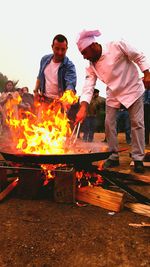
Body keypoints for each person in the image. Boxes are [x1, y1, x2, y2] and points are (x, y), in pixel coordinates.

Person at [75, 29, 150, 173]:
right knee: (109, 124)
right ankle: (113, 155)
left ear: (93, 46)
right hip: (114, 93)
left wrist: (147, 73)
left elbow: (138, 56)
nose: (84, 57)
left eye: (84, 53)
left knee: (137, 123)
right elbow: (88, 87)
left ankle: (138, 158)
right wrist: (83, 108)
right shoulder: (90, 66)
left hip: (133, 87)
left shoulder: (116, 45)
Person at [33, 34, 77, 103]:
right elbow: (39, 77)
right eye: (57, 49)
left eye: (63, 49)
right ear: (52, 47)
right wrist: (35, 91)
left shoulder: (69, 66)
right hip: (44, 100)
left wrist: (68, 96)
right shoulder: (44, 60)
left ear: (67, 48)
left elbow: (70, 84)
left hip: (60, 103)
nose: (60, 52)